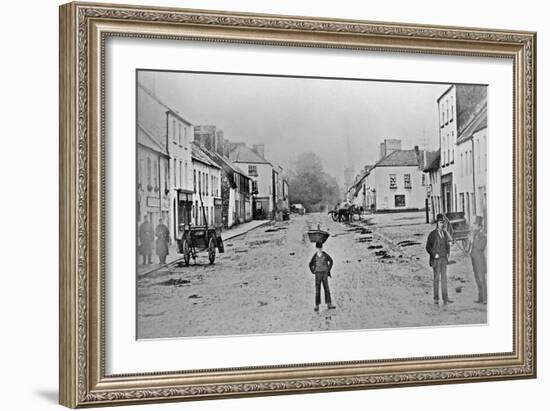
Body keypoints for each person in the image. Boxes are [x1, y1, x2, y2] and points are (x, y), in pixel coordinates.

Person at [425, 214, 454, 304]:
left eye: (443, 223)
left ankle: (445, 298)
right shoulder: (432, 234)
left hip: (444, 259)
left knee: (444, 279)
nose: (442, 224)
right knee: (436, 279)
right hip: (436, 260)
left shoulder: (445, 233)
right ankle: (436, 298)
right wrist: (434, 254)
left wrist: (449, 246)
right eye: (440, 223)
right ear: (437, 223)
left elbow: (447, 244)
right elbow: (428, 247)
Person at [309, 242, 336, 312]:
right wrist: (313, 271)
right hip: (317, 274)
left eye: (320, 248)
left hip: (324, 274)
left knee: (326, 288)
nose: (319, 250)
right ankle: (317, 305)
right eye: (318, 248)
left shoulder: (325, 255)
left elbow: (331, 261)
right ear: (316, 248)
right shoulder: (315, 256)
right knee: (317, 290)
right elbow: (310, 264)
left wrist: (328, 270)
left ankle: (329, 304)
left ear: (322, 248)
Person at [468, 216, 487, 304]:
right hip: (474, 261)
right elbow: (470, 248)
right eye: (473, 224)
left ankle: (485, 299)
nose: (473, 226)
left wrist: (472, 241)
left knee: (482, 280)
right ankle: (480, 298)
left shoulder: (482, 236)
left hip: (480, 262)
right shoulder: (474, 234)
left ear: (480, 226)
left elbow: (480, 247)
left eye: (475, 225)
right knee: (477, 280)